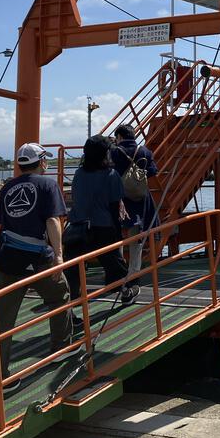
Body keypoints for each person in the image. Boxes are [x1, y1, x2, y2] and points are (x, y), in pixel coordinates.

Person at [0, 142, 79, 400]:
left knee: (2, 320)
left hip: (7, 260)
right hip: (39, 258)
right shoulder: (48, 185)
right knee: (59, 295)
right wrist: (59, 255)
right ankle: (61, 346)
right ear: (42, 162)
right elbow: (53, 220)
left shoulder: (7, 188)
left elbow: (3, 223)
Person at [63, 136, 138, 304]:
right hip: (103, 227)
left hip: (77, 226)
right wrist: (118, 232)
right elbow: (114, 206)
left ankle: (70, 303)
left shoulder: (79, 174)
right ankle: (126, 292)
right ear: (105, 154)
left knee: (73, 269)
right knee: (115, 265)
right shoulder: (111, 175)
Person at [110, 125, 159, 281]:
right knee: (136, 236)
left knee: (117, 235)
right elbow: (153, 170)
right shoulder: (144, 151)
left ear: (119, 137)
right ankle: (133, 272)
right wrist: (137, 177)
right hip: (140, 196)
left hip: (119, 197)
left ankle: (118, 271)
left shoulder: (115, 152)